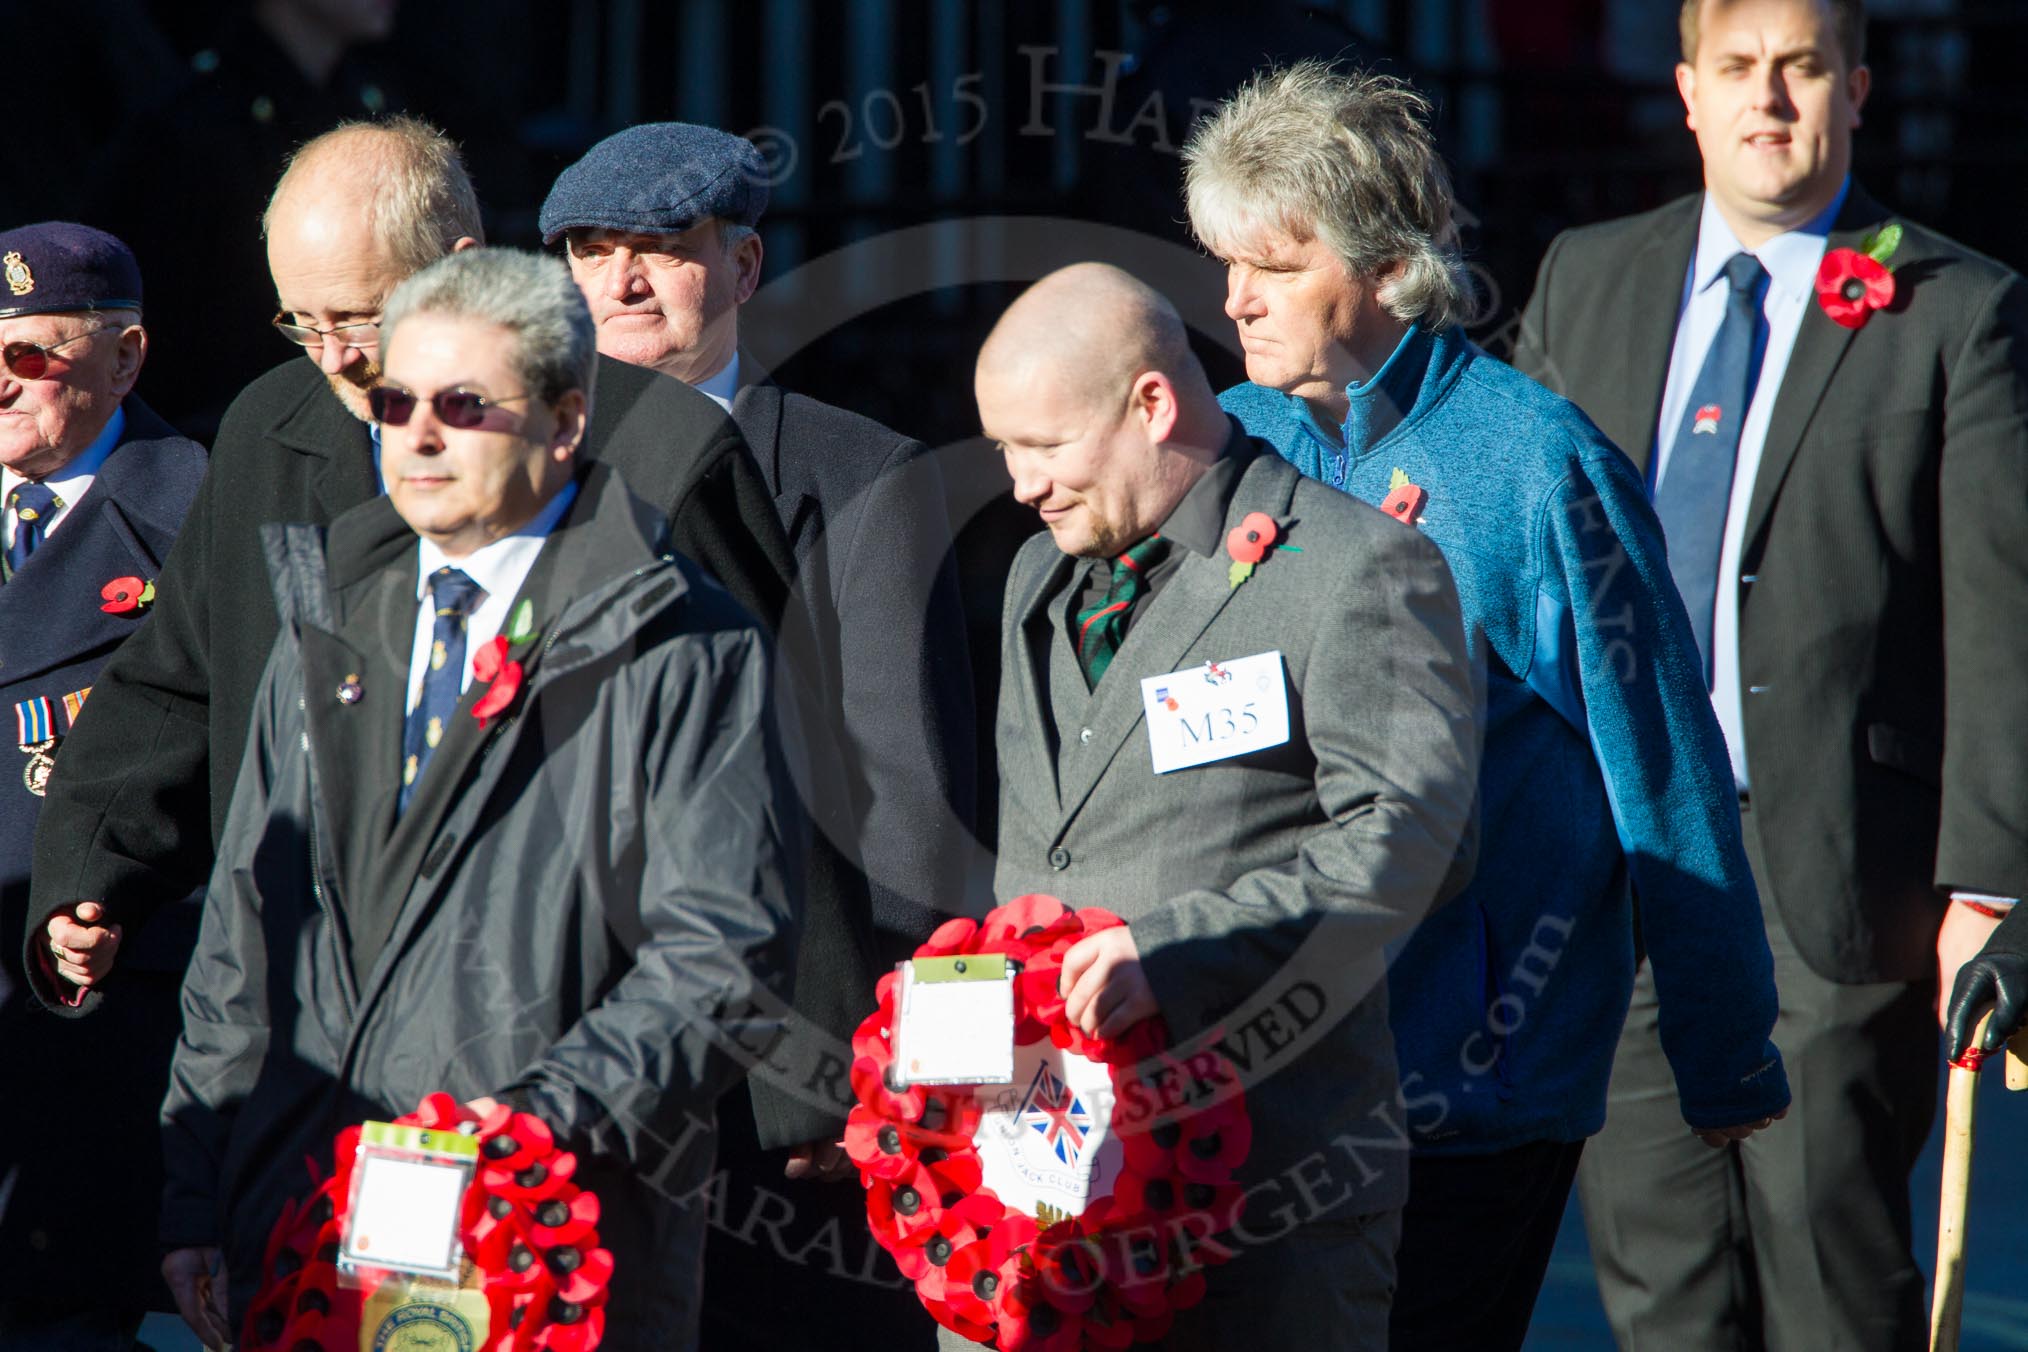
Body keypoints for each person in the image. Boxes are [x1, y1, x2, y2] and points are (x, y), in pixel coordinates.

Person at [1184, 62, 1790, 1351]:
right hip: (1273, 1063)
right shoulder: (1227, 437)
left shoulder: (1538, 463)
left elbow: (1662, 762)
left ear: (1383, 263)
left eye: (1273, 265)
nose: (1233, 296)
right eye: (1222, 259)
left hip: (1473, 1079)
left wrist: (1722, 1039)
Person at [159, 245, 801, 1352]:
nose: (416, 433)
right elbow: (241, 934)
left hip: (546, 1247)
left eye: (463, 404)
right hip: (302, 1227)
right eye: (394, 398)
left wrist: (526, 1130)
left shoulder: (681, 639)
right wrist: (199, 1191)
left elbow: (727, 955)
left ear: (564, 421)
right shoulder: (325, 624)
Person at [1513, 1, 2028, 1345]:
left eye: (1801, 68)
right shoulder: (1588, 277)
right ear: (1686, 93)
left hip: (1834, 869)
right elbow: (1521, 565)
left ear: (1855, 87)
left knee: (1832, 1278)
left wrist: (1988, 888)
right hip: (1626, 872)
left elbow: (1999, 615)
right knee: (1659, 1284)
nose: (1770, 101)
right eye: (1737, 70)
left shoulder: (1954, 310)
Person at [27, 117, 795, 1014]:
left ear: (457, 269)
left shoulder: (660, 445)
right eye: (301, 322)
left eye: (357, 315)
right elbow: (178, 685)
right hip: (307, 1010)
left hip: (572, 1021)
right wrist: (92, 875)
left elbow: (771, 772)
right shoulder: (268, 428)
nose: (335, 358)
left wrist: (792, 1100)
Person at [977, 262, 1481, 1351]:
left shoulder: (1359, 569)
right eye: (1004, 451)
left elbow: (1419, 843)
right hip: (1042, 1209)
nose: (1022, 483)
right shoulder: (1036, 577)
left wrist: (1173, 949)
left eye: (1044, 446)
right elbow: (1045, 857)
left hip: (1263, 1209)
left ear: (1152, 404)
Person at [541, 122, 977, 1345]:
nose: (620, 281)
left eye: (661, 249)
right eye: (589, 249)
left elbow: (904, 810)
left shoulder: (860, 472)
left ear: (741, 269)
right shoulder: (503, 467)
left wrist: (856, 1072)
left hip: (778, 1098)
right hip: (561, 1066)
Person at [0, 224, 204, 1350]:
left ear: (125, 357)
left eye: (32, 353)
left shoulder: (201, 515)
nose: (0, 380)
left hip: (110, 1025)